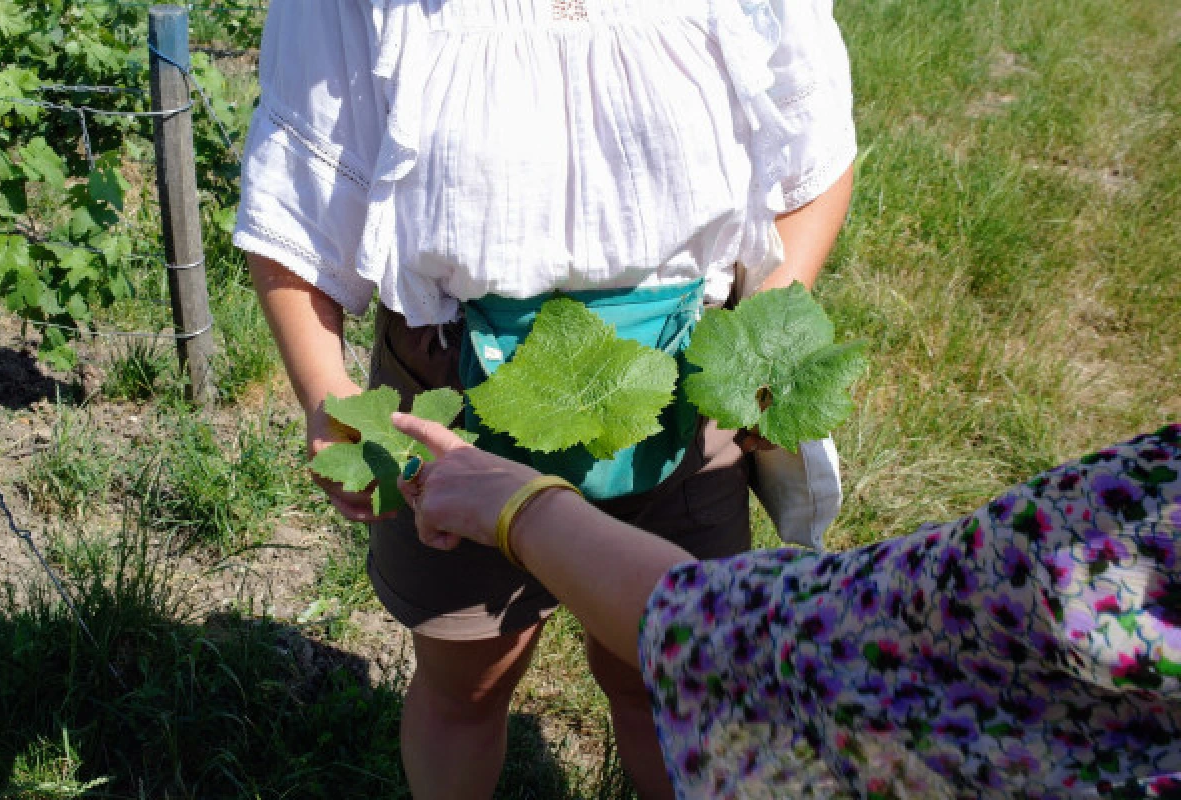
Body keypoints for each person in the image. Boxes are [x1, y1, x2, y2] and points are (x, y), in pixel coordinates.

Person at [235, 0, 856, 796]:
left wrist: (766, 325)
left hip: (681, 385)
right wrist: (327, 396)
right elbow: (299, 193)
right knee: (471, 679)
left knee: (665, 666)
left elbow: (815, 147)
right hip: (457, 394)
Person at [392, 414, 1181, 799]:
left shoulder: (1129, 536)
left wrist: (524, 513)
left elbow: (801, 639)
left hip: (664, 459)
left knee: (645, 683)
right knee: (465, 686)